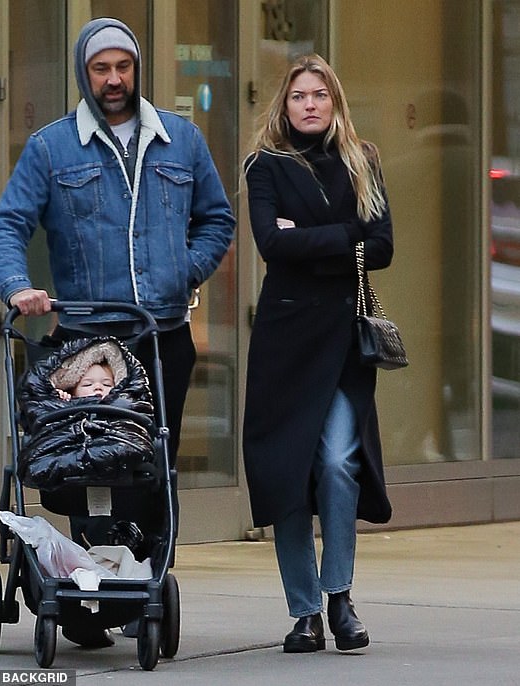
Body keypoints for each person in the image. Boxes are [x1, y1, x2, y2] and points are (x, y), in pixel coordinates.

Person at [0, 16, 234, 646]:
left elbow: (217, 218)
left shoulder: (181, 140)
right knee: (78, 465)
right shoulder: (51, 148)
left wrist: (186, 271)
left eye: (123, 67)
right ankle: (82, 590)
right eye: (102, 69)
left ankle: (138, 587)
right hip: (82, 341)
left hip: (160, 337)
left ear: (137, 70)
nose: (115, 79)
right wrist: (19, 287)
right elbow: (8, 224)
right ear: (84, 73)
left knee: (148, 466)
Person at [242, 54, 394, 654]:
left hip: (342, 343)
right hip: (285, 343)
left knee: (336, 464)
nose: (309, 104)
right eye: (299, 95)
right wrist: (345, 239)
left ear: (335, 103)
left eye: (320, 95)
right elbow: (271, 246)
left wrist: (310, 241)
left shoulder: (365, 161)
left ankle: (340, 597)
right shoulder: (266, 165)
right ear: (284, 104)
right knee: (286, 476)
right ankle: (303, 612)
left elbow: (381, 246)